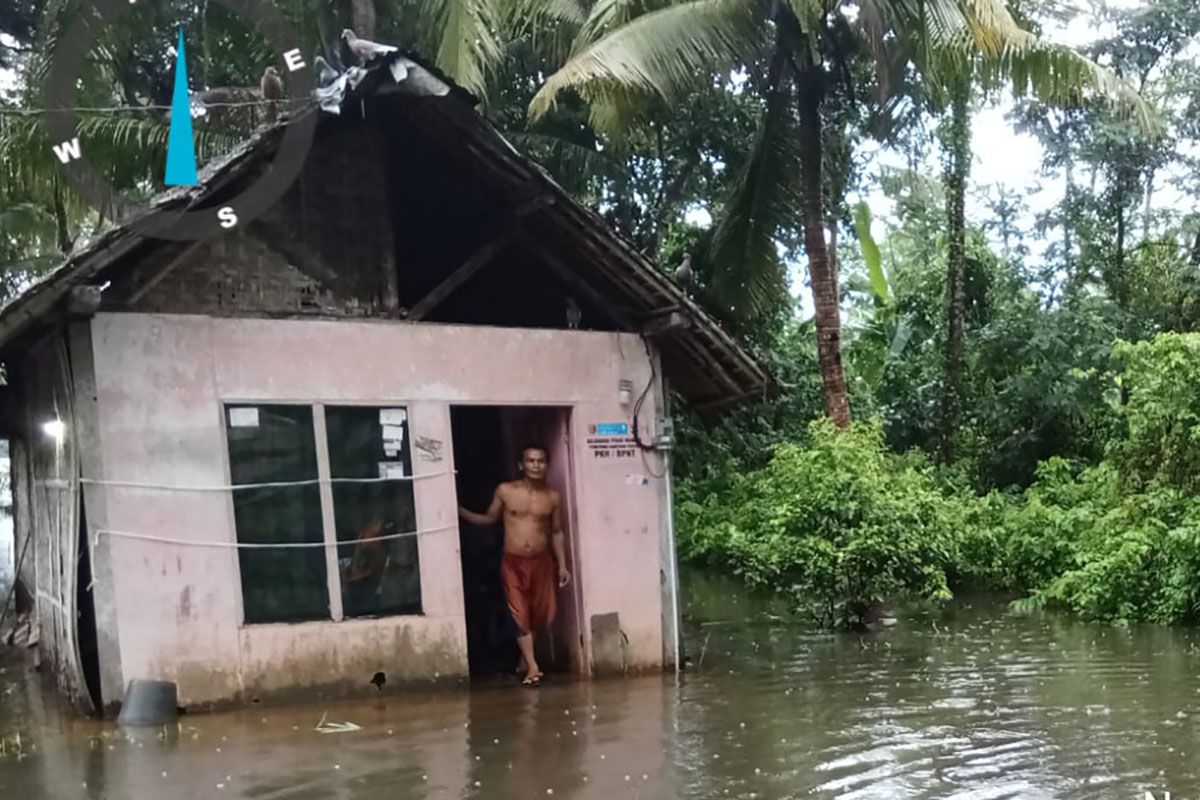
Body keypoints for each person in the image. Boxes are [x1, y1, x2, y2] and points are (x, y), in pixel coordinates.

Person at [458, 445, 570, 686]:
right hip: (513, 561)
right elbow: (490, 518)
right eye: (530, 461)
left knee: (540, 614)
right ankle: (532, 667)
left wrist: (562, 565)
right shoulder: (506, 491)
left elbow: (557, 531)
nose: (536, 465)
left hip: (541, 562)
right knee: (519, 612)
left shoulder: (552, 497)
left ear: (547, 465)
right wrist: (461, 513)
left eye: (540, 461)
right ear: (521, 465)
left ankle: (524, 659)